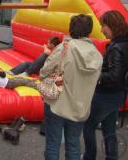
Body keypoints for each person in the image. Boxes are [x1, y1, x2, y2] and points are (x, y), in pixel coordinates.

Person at [40, 14, 103, 160]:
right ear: (89, 31)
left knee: (53, 145)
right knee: (73, 145)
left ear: (71, 29)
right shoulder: (97, 54)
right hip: (81, 107)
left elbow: (44, 71)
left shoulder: (64, 48)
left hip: (57, 103)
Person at [83, 10, 128, 160]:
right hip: (117, 94)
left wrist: (94, 75)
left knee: (88, 125)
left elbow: (114, 76)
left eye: (104, 26)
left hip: (106, 95)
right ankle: (112, 156)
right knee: (109, 130)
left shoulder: (116, 48)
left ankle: (89, 156)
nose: (102, 30)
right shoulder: (123, 43)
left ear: (113, 26)